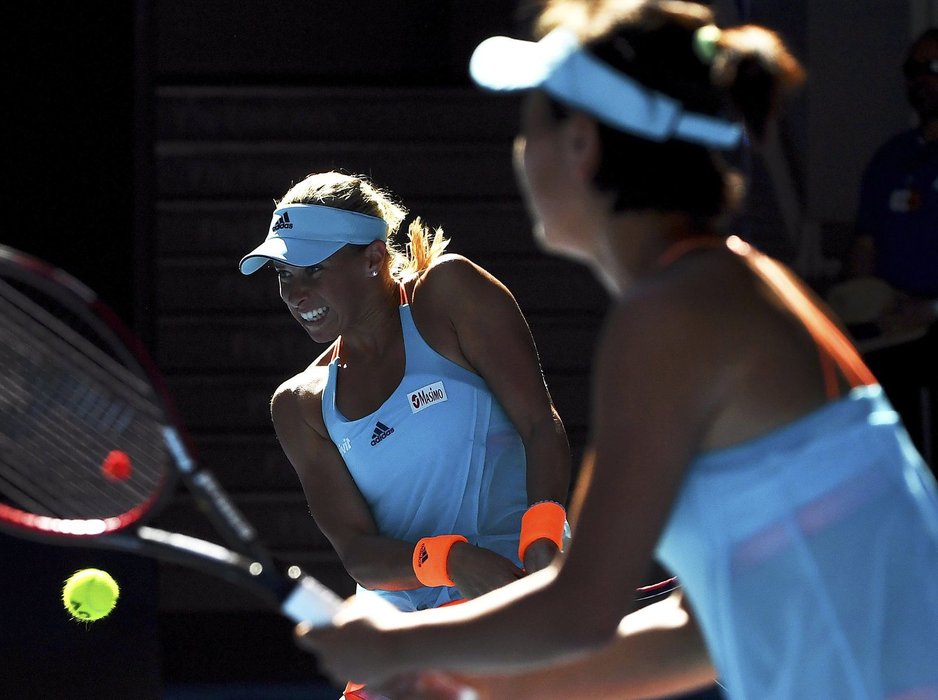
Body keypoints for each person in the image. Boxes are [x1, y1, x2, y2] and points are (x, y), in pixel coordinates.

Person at [296, 2, 938, 698]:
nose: (518, 155)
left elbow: (582, 607)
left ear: (582, 145)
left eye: (529, 127)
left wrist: (400, 644)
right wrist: (460, 680)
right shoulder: (723, 285)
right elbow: (697, 635)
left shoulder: (676, 315)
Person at [239, 171, 572, 698]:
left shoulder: (449, 295)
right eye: (284, 275)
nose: (296, 294)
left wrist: (543, 538)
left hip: (515, 608)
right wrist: (451, 559)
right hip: (401, 643)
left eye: (314, 270)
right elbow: (358, 552)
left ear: (373, 259)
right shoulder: (299, 405)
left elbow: (540, 424)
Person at [833, 27, 938, 465]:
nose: (921, 78)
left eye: (933, 67)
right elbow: (865, 245)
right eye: (913, 68)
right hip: (892, 331)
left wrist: (930, 309)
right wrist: (850, 308)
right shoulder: (891, 157)